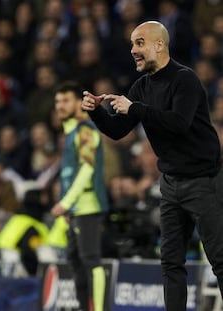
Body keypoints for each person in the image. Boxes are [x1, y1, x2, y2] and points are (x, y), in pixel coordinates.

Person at [82, 21, 223, 311]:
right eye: (132, 44)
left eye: (140, 43)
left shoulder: (185, 80)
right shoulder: (141, 86)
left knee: (220, 258)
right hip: (170, 184)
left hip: (203, 182)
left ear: (159, 45)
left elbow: (179, 124)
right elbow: (119, 130)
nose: (133, 50)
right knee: (171, 262)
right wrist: (97, 113)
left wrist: (135, 108)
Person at [52, 81, 109, 311]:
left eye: (65, 100)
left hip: (88, 205)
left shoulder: (86, 130)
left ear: (78, 102)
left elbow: (87, 169)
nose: (60, 106)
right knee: (75, 262)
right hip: (75, 209)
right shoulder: (70, 133)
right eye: (57, 101)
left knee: (91, 260)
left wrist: (65, 203)